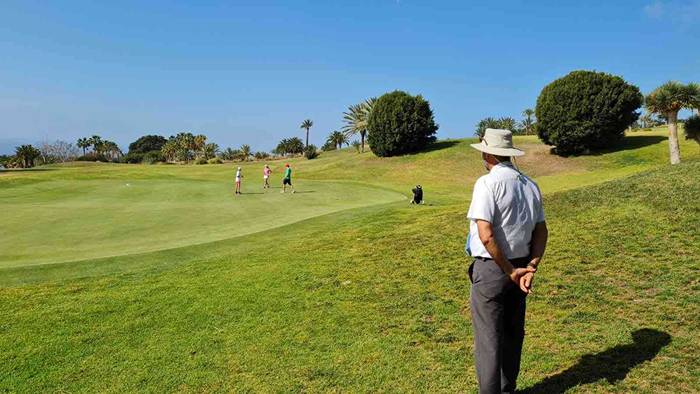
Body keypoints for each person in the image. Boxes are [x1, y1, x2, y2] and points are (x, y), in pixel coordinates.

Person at [465, 128, 548, 394]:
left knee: (489, 341)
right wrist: (531, 267)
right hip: (521, 267)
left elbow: (486, 235)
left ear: (488, 153)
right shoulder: (530, 184)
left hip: (494, 269)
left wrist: (511, 270)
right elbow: (541, 230)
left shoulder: (487, 183)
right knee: (512, 335)